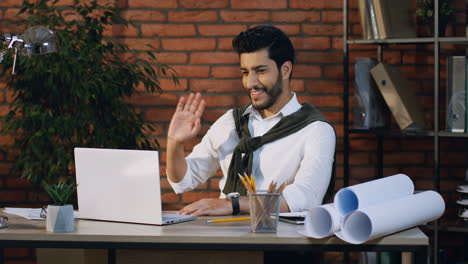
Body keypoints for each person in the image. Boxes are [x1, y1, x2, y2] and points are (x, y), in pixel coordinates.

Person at [166, 25, 336, 216]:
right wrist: (175, 143)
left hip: (280, 239)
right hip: (224, 236)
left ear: (286, 70)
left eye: (260, 71)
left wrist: (233, 204)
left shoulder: (316, 129)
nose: (250, 83)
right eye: (245, 72)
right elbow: (183, 180)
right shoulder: (231, 122)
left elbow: (307, 197)